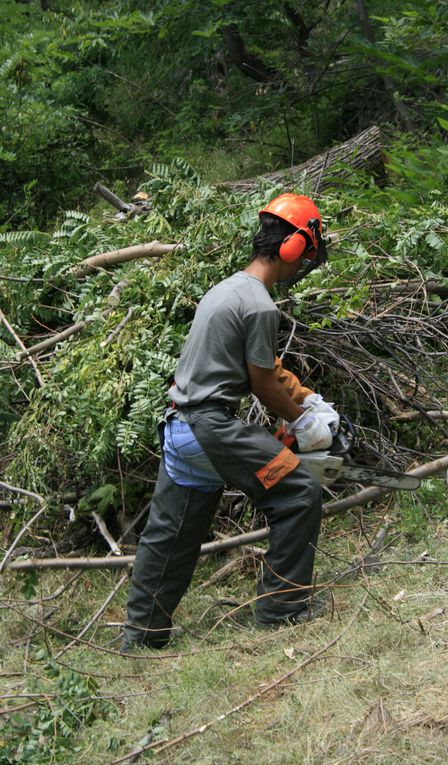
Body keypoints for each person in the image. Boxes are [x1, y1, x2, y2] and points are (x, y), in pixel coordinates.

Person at [121, 193, 339, 652]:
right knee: (299, 491)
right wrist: (303, 423)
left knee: (171, 534)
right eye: (307, 258)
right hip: (211, 431)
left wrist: (306, 397)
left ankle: (141, 636)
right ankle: (282, 610)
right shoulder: (260, 305)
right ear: (294, 250)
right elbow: (261, 382)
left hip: (180, 429)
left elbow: (264, 367)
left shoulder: (227, 289)